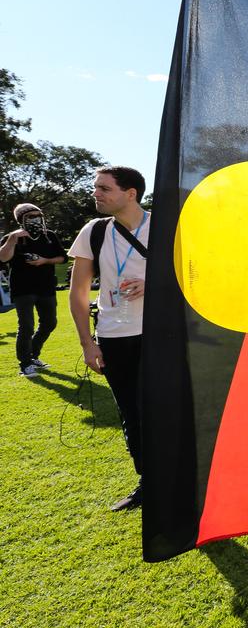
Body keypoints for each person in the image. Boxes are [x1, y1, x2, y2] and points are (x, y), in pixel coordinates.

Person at [68, 166, 151, 512]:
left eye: (104, 188)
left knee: (167, 409)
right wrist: (89, 343)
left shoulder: (167, 225)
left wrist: (155, 285)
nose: (96, 194)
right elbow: (78, 291)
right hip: (114, 337)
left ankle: (182, 481)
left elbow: (197, 274)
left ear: (130, 193)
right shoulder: (94, 231)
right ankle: (148, 483)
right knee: (131, 414)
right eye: (95, 188)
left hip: (160, 335)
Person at [0, 203, 68, 377]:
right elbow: (3, 258)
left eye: (38, 215)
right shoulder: (13, 237)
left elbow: (62, 258)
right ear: (21, 219)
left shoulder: (49, 236)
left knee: (50, 323)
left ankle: (33, 355)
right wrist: (12, 239)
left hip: (46, 286)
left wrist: (44, 260)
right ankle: (25, 364)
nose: (36, 218)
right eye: (30, 216)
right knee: (26, 326)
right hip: (23, 288)